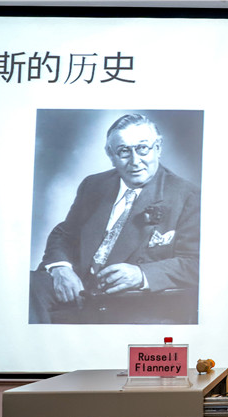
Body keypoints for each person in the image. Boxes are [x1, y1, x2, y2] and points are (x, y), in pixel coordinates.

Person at [29, 113, 200, 324]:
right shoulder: (94, 185)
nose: (135, 161)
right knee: (27, 285)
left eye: (142, 148)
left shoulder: (188, 196)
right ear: (110, 154)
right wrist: (61, 268)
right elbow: (64, 233)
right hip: (79, 288)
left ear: (158, 148)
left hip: (130, 301)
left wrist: (141, 274)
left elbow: (196, 262)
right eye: (124, 151)